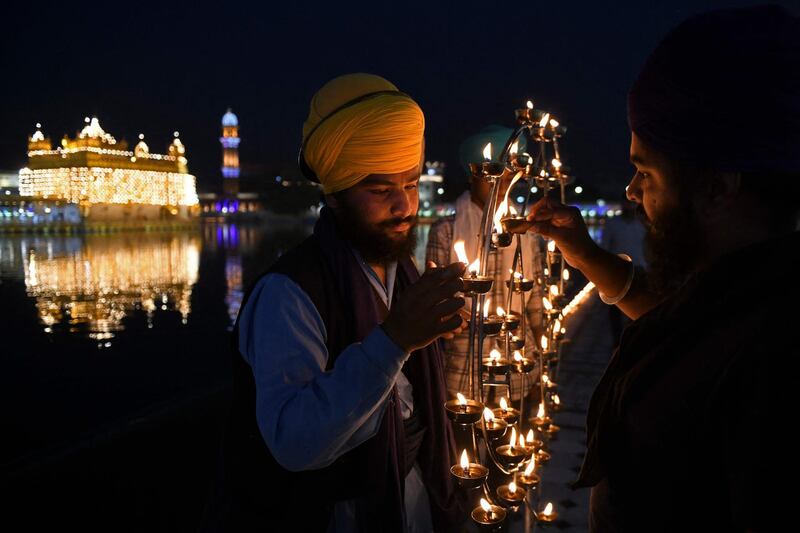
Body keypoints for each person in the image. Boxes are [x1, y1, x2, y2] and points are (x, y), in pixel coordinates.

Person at [526, 6, 799, 532]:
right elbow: (688, 323)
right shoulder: (745, 290)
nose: (631, 193)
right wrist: (586, 255)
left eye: (645, 170)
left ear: (719, 187)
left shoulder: (777, 362)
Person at [206, 73, 467, 532]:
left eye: (411, 183)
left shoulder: (400, 272)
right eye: (381, 189)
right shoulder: (288, 294)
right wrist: (396, 340)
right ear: (335, 192)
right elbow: (294, 443)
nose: (405, 206)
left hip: (415, 494)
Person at [426, 125, 546, 403]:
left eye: (508, 173)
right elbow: (436, 302)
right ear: (472, 176)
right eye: (492, 172)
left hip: (518, 364)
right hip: (463, 369)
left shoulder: (525, 230)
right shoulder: (445, 231)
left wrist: (542, 360)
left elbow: (535, 300)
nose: (501, 181)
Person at [600, 195, 645, 344]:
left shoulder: (643, 223)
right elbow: (604, 247)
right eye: (627, 203)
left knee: (638, 310)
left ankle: (634, 341)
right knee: (615, 311)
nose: (629, 207)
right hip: (618, 272)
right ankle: (617, 343)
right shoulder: (613, 223)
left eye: (632, 204)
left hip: (641, 271)